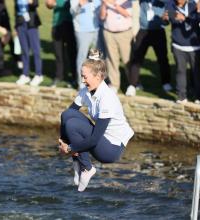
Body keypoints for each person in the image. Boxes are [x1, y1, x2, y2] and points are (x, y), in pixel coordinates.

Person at [58, 49, 134, 192]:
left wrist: (69, 149)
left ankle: (87, 168)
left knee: (73, 124)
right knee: (67, 115)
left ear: (98, 77)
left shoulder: (107, 98)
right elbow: (69, 112)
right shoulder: (87, 89)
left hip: (111, 149)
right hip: (101, 141)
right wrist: (63, 141)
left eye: (85, 77)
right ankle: (77, 162)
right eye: (82, 76)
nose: (82, 80)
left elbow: (94, 139)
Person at [126, 0, 172, 96]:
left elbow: (167, 19)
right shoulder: (142, 2)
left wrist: (165, 20)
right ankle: (133, 85)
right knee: (137, 58)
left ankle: (166, 82)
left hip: (158, 31)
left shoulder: (161, 2)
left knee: (163, 58)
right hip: (143, 31)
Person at [165, 0, 200, 104]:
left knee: (196, 72)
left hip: (194, 46)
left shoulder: (194, 6)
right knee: (180, 71)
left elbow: (199, 21)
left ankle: (199, 97)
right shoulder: (171, 5)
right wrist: (165, 19)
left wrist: (186, 17)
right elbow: (167, 19)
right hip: (178, 45)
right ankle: (181, 96)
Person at [70, 0, 103, 89]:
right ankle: (82, 82)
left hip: (96, 29)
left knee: (97, 58)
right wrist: (80, 4)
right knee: (82, 57)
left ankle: (96, 81)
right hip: (82, 31)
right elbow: (73, 11)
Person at [45, 0, 78, 88]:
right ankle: (59, 76)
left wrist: (56, 4)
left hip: (70, 23)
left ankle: (75, 77)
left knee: (72, 53)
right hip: (56, 24)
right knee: (58, 53)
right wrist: (50, 4)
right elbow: (48, 4)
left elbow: (71, 4)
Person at [14, 0, 44, 86]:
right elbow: (16, 9)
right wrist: (16, 26)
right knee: (24, 50)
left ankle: (38, 74)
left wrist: (30, 1)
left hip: (31, 24)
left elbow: (36, 4)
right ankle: (25, 74)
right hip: (20, 23)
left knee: (36, 50)